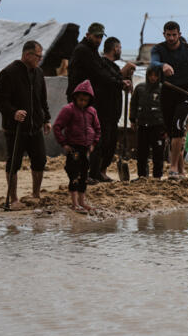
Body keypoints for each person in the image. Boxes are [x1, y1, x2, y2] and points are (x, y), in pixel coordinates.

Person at [0, 40, 52, 208]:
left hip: (35, 126)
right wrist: (14, 112)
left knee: (40, 160)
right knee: (14, 163)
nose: (40, 60)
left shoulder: (39, 73)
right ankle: (13, 199)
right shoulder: (8, 73)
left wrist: (46, 119)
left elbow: (42, 99)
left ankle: (35, 194)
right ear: (28, 55)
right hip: (15, 128)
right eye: (38, 57)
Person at [151, 21, 188, 177]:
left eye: (174, 35)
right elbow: (153, 62)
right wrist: (162, 66)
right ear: (164, 35)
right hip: (167, 92)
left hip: (185, 93)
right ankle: (182, 170)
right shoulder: (158, 49)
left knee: (178, 128)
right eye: (168, 35)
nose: (171, 38)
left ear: (179, 35)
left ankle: (173, 167)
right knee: (171, 132)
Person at [88, 36, 135, 182]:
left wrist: (127, 81)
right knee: (101, 143)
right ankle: (94, 172)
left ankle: (102, 170)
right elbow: (108, 80)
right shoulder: (102, 64)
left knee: (110, 144)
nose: (120, 50)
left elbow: (117, 81)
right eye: (120, 48)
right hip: (103, 112)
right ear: (115, 48)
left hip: (113, 113)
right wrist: (122, 75)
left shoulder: (113, 67)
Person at [53, 80, 101, 213]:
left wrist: (93, 144)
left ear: (89, 100)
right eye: (80, 100)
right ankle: (74, 203)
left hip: (86, 148)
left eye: (85, 100)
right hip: (73, 148)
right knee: (74, 174)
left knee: (84, 174)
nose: (82, 103)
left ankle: (82, 201)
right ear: (75, 97)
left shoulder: (92, 111)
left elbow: (97, 128)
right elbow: (57, 127)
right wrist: (64, 143)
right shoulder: (68, 110)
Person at [130, 65, 166, 178]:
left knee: (158, 154)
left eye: (155, 75)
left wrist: (167, 128)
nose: (153, 78)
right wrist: (132, 119)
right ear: (147, 75)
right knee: (141, 153)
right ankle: (142, 176)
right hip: (142, 125)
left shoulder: (163, 89)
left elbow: (167, 109)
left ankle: (157, 177)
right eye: (151, 75)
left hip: (158, 126)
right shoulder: (140, 88)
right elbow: (133, 104)